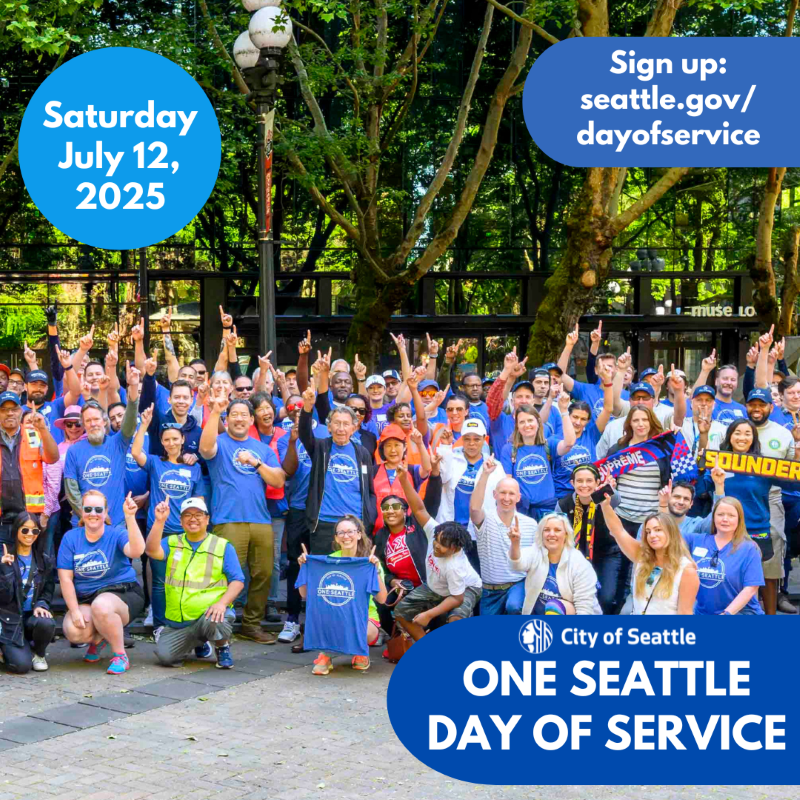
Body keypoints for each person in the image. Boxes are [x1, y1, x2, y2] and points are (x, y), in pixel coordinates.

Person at [199, 392, 285, 644]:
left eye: (243, 415)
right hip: (228, 519)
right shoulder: (220, 442)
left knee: (264, 574)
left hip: (260, 520)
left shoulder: (261, 449)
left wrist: (256, 463)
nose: (239, 419)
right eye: (233, 415)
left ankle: (251, 624)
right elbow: (205, 448)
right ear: (228, 418)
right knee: (226, 575)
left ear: (251, 419)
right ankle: (219, 623)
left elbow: (278, 480)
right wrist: (215, 411)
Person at [146, 497, 245, 669]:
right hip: (179, 621)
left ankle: (222, 647)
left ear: (207, 519)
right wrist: (159, 521)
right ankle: (199, 642)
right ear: (181, 521)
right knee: (166, 657)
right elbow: (151, 551)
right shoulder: (172, 542)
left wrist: (222, 604)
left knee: (217, 618)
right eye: (187, 515)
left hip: (209, 614)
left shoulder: (222, 546)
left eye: (198, 514)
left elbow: (238, 581)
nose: (193, 519)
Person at [57, 490, 146, 674]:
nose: (93, 513)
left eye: (98, 509)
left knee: (102, 606)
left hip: (123, 593)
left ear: (106, 512)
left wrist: (130, 517)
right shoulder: (71, 538)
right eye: (88, 508)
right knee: (74, 631)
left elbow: (136, 552)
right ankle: (101, 638)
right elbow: (65, 579)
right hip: (88, 598)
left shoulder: (116, 533)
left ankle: (120, 655)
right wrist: (74, 611)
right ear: (81, 511)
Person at [131, 404, 202, 633]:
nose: (171, 443)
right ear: (162, 443)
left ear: (182, 439)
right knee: (160, 583)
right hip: (159, 533)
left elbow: (198, 501)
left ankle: (186, 627)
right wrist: (143, 426)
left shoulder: (194, 468)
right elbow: (135, 453)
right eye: (166, 440)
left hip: (185, 535)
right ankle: (161, 626)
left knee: (185, 582)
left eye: (175, 439)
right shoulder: (155, 463)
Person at [296, 515, 387, 674]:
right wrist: (304, 567)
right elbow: (304, 593)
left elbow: (382, 598)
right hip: (333, 614)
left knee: (366, 632)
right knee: (325, 620)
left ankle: (360, 650)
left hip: (363, 617)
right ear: (336, 538)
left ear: (359, 534)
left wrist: (376, 570)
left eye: (350, 532)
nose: (346, 536)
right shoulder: (327, 562)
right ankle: (325, 653)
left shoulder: (368, 562)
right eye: (341, 533)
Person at [298, 385, 377, 554]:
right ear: (329, 427)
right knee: (325, 575)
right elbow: (304, 433)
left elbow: (370, 490)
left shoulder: (362, 453)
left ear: (354, 428)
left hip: (355, 524)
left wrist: (369, 518)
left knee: (352, 575)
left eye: (346, 424)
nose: (341, 428)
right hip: (325, 523)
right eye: (337, 423)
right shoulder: (320, 448)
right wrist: (307, 407)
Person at [63, 365, 141, 528]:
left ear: (105, 421)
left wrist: (133, 388)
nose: (93, 424)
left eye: (96, 419)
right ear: (83, 424)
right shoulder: (74, 451)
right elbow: (72, 492)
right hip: (84, 524)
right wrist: (91, 516)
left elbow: (130, 423)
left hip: (116, 522)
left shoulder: (118, 443)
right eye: (88, 421)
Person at [373, 460, 443, 633]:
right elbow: (381, 567)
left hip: (429, 585)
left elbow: (432, 501)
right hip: (402, 589)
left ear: (405, 511)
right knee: (379, 595)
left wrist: (434, 475)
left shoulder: (418, 525)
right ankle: (392, 635)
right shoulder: (381, 536)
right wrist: (392, 581)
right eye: (385, 507)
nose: (390, 510)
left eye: (396, 506)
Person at [600, 501, 699, 615]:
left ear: (671, 532)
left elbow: (685, 614)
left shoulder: (687, 571)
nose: (652, 535)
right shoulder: (641, 555)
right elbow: (618, 531)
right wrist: (605, 505)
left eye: (658, 530)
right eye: (648, 532)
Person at [469, 457, 537, 615]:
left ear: (518, 497)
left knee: (514, 606)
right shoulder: (485, 520)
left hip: (517, 586)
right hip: (490, 591)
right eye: (503, 493)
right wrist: (485, 474)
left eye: (511, 494)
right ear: (494, 495)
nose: (507, 498)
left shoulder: (531, 524)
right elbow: (474, 508)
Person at [557, 465, 626, 615]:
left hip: (606, 554)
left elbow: (616, 499)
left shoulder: (604, 497)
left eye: (589, 481)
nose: (584, 485)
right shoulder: (564, 504)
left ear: (597, 482)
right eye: (579, 481)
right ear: (572, 483)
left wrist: (609, 489)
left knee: (606, 598)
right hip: (576, 556)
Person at [683, 496, 765, 615]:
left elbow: (751, 588)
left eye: (731, 515)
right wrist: (664, 504)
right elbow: (665, 533)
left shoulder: (750, 548)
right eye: (720, 514)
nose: (725, 519)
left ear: (739, 519)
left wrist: (727, 614)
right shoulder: (696, 540)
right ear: (713, 517)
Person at [508, 512, 602, 615]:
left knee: (553, 606)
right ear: (541, 534)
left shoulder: (579, 563)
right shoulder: (536, 551)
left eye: (557, 530)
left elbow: (584, 608)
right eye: (547, 530)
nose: (551, 534)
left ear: (566, 534)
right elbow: (516, 565)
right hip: (539, 621)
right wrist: (515, 543)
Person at [499, 399, 575, 520]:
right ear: (517, 426)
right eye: (522, 422)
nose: (527, 425)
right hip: (521, 510)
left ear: (538, 422)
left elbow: (569, 443)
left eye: (530, 420)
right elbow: (508, 483)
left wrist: (564, 411)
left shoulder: (549, 445)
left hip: (548, 510)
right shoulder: (509, 450)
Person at [0, 392, 59, 545]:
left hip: (29, 517)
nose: (10, 413)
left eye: (14, 409)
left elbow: (53, 458)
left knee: (28, 565)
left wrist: (43, 430)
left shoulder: (33, 434)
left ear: (21, 410)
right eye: (4, 409)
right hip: (1, 519)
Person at [251, 393, 289, 624]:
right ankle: (244, 600)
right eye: (260, 409)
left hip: (275, 503)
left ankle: (271, 602)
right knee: (248, 557)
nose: (266, 412)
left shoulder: (283, 435)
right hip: (251, 502)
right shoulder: (247, 435)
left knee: (272, 557)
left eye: (269, 407)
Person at [550, 359, 614, 498]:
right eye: (575, 417)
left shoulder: (592, 434)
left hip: (588, 493)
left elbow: (608, 408)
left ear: (588, 421)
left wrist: (608, 382)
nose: (578, 422)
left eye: (583, 419)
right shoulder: (556, 439)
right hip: (562, 496)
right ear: (567, 416)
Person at [0, 515, 56, 673]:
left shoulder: (44, 560)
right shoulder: (6, 558)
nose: (30, 534)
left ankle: (38, 654)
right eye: (25, 529)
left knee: (46, 622)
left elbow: (48, 590)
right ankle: (9, 649)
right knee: (21, 666)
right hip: (9, 621)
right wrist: (4, 571)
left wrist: (42, 604)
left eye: (34, 530)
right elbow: (3, 598)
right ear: (16, 530)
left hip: (30, 618)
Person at [606, 406, 666, 536]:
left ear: (651, 422)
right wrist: (609, 485)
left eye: (645, 420)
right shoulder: (617, 450)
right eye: (636, 420)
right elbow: (606, 482)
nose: (641, 424)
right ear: (630, 424)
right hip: (622, 516)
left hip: (651, 519)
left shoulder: (662, 449)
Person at [372, 423, 430, 533]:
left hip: (406, 532)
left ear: (404, 447)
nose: (393, 450)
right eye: (388, 446)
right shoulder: (373, 471)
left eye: (397, 445)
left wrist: (420, 443)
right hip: (378, 532)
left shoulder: (412, 471)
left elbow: (427, 468)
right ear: (382, 449)